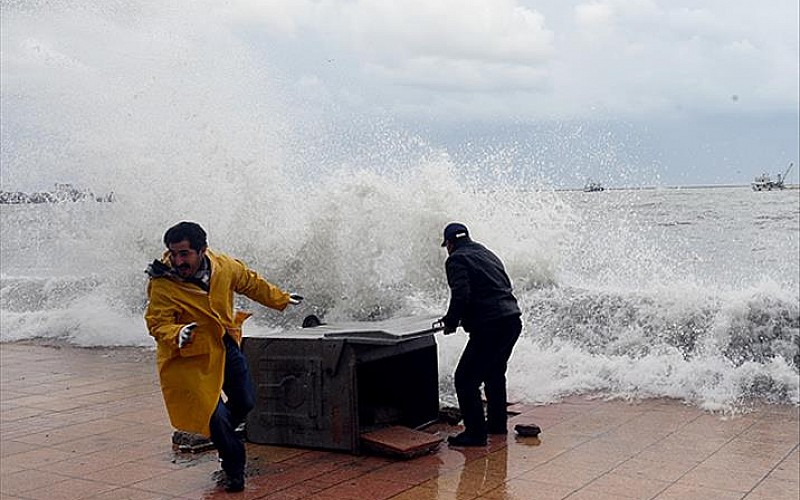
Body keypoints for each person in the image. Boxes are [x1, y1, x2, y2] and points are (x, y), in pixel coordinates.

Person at [144, 221, 302, 493]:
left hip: (224, 343)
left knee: (245, 401)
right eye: (173, 253)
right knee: (214, 417)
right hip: (188, 357)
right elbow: (157, 323)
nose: (177, 260)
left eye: (184, 254)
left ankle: (221, 435)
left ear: (202, 250)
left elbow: (251, 283)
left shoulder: (224, 267)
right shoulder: (162, 283)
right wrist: (177, 332)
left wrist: (281, 299)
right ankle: (233, 469)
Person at [439, 222, 522, 447]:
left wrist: (451, 321)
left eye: (446, 245)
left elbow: (461, 293)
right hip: (512, 320)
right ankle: (496, 424)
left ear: (450, 243)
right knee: (494, 373)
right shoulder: (487, 253)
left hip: (491, 325)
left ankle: (475, 434)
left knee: (465, 379)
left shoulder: (456, 259)